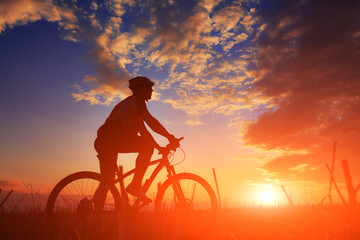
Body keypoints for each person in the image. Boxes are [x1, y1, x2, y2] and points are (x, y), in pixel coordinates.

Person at [94, 76, 179, 208]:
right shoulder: (137, 100)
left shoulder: (133, 108)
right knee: (146, 148)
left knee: (107, 181)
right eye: (148, 88)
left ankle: (95, 217)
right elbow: (151, 121)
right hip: (111, 138)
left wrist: (159, 148)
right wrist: (170, 137)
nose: (151, 91)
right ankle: (135, 185)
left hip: (105, 141)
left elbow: (145, 134)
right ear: (140, 90)